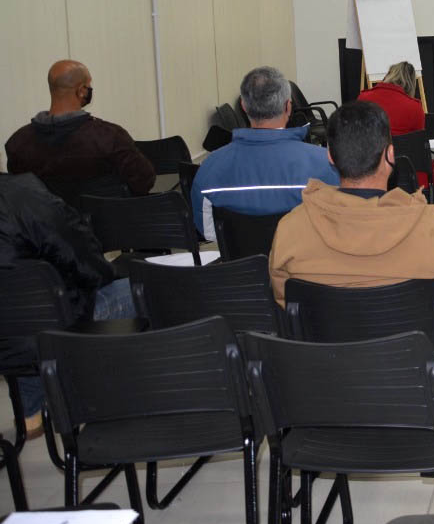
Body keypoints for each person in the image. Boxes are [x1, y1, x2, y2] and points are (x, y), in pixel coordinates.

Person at [269, 101, 434, 317]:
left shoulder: (291, 228)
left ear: (330, 156)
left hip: (326, 350)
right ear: (390, 155)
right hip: (415, 350)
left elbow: (285, 303)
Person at [1, 171, 135, 438]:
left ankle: (30, 414)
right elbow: (82, 258)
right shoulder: (22, 195)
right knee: (147, 290)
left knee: (20, 312)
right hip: (47, 331)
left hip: (9, 340)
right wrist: (106, 275)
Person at [191, 67, 338, 239]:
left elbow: (207, 231)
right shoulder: (326, 164)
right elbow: (337, 224)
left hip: (240, 265)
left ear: (244, 106)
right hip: (304, 263)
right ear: (288, 106)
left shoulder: (211, 166)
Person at [5, 60, 155, 204]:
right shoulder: (109, 136)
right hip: (104, 227)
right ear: (82, 90)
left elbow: (19, 193)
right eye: (89, 85)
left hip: (46, 229)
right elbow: (143, 182)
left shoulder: (18, 143)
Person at [357, 61, 434, 190]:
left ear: (389, 75)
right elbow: (420, 148)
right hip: (405, 180)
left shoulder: (363, 99)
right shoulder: (414, 107)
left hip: (369, 173)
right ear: (412, 83)